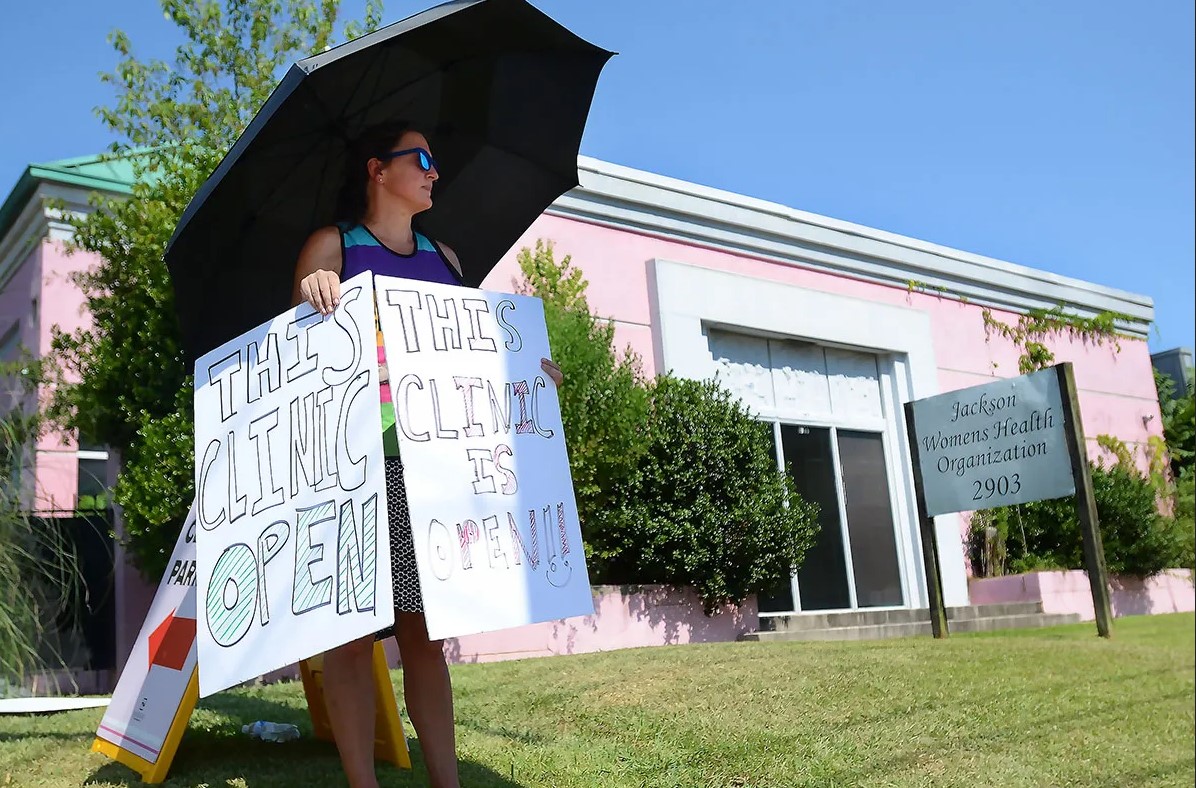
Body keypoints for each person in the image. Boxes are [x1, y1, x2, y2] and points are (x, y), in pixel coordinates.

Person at [291, 124, 563, 788]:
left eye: (434, 161)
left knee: (424, 633)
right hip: (359, 464)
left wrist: (529, 372)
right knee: (351, 633)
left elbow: (472, 354)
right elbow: (295, 357)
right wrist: (312, 290)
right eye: (422, 159)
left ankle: (447, 782)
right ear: (378, 170)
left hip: (435, 466)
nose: (435, 171)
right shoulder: (333, 247)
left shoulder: (446, 258)